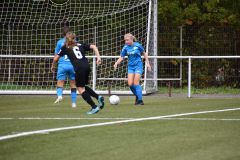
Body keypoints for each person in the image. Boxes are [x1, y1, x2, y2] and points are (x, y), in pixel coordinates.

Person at [51, 32, 104, 114]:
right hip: (87, 66)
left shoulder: (65, 47)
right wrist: (98, 57)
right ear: (74, 38)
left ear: (66, 39)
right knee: (84, 86)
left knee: (80, 89)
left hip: (79, 68)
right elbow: (93, 46)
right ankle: (98, 97)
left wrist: (53, 66)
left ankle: (94, 107)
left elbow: (55, 59)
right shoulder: (80, 45)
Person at [114, 33, 151, 105]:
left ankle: (140, 101)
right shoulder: (125, 47)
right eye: (125, 40)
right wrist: (116, 63)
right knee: (130, 84)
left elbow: (144, 53)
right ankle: (138, 95)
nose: (126, 42)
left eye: (127, 40)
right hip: (130, 67)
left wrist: (148, 63)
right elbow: (121, 57)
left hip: (138, 65)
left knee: (136, 83)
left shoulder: (138, 45)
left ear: (131, 39)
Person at [54, 26, 77, 108]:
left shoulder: (60, 42)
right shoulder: (74, 42)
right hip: (72, 65)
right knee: (73, 84)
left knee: (60, 82)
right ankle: (73, 103)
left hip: (62, 65)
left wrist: (53, 65)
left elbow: (56, 55)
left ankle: (60, 96)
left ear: (62, 33)